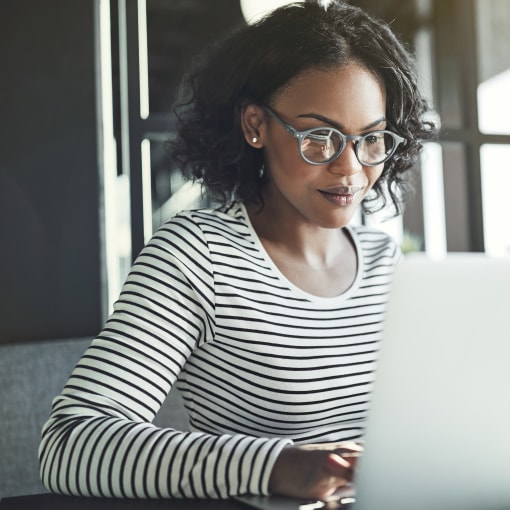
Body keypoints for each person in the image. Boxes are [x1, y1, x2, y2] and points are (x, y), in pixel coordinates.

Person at [39, 0, 435, 502]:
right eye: (319, 138)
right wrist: (278, 466)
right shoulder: (195, 256)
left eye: (371, 139)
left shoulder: (386, 263)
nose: (350, 169)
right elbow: (69, 444)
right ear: (256, 125)